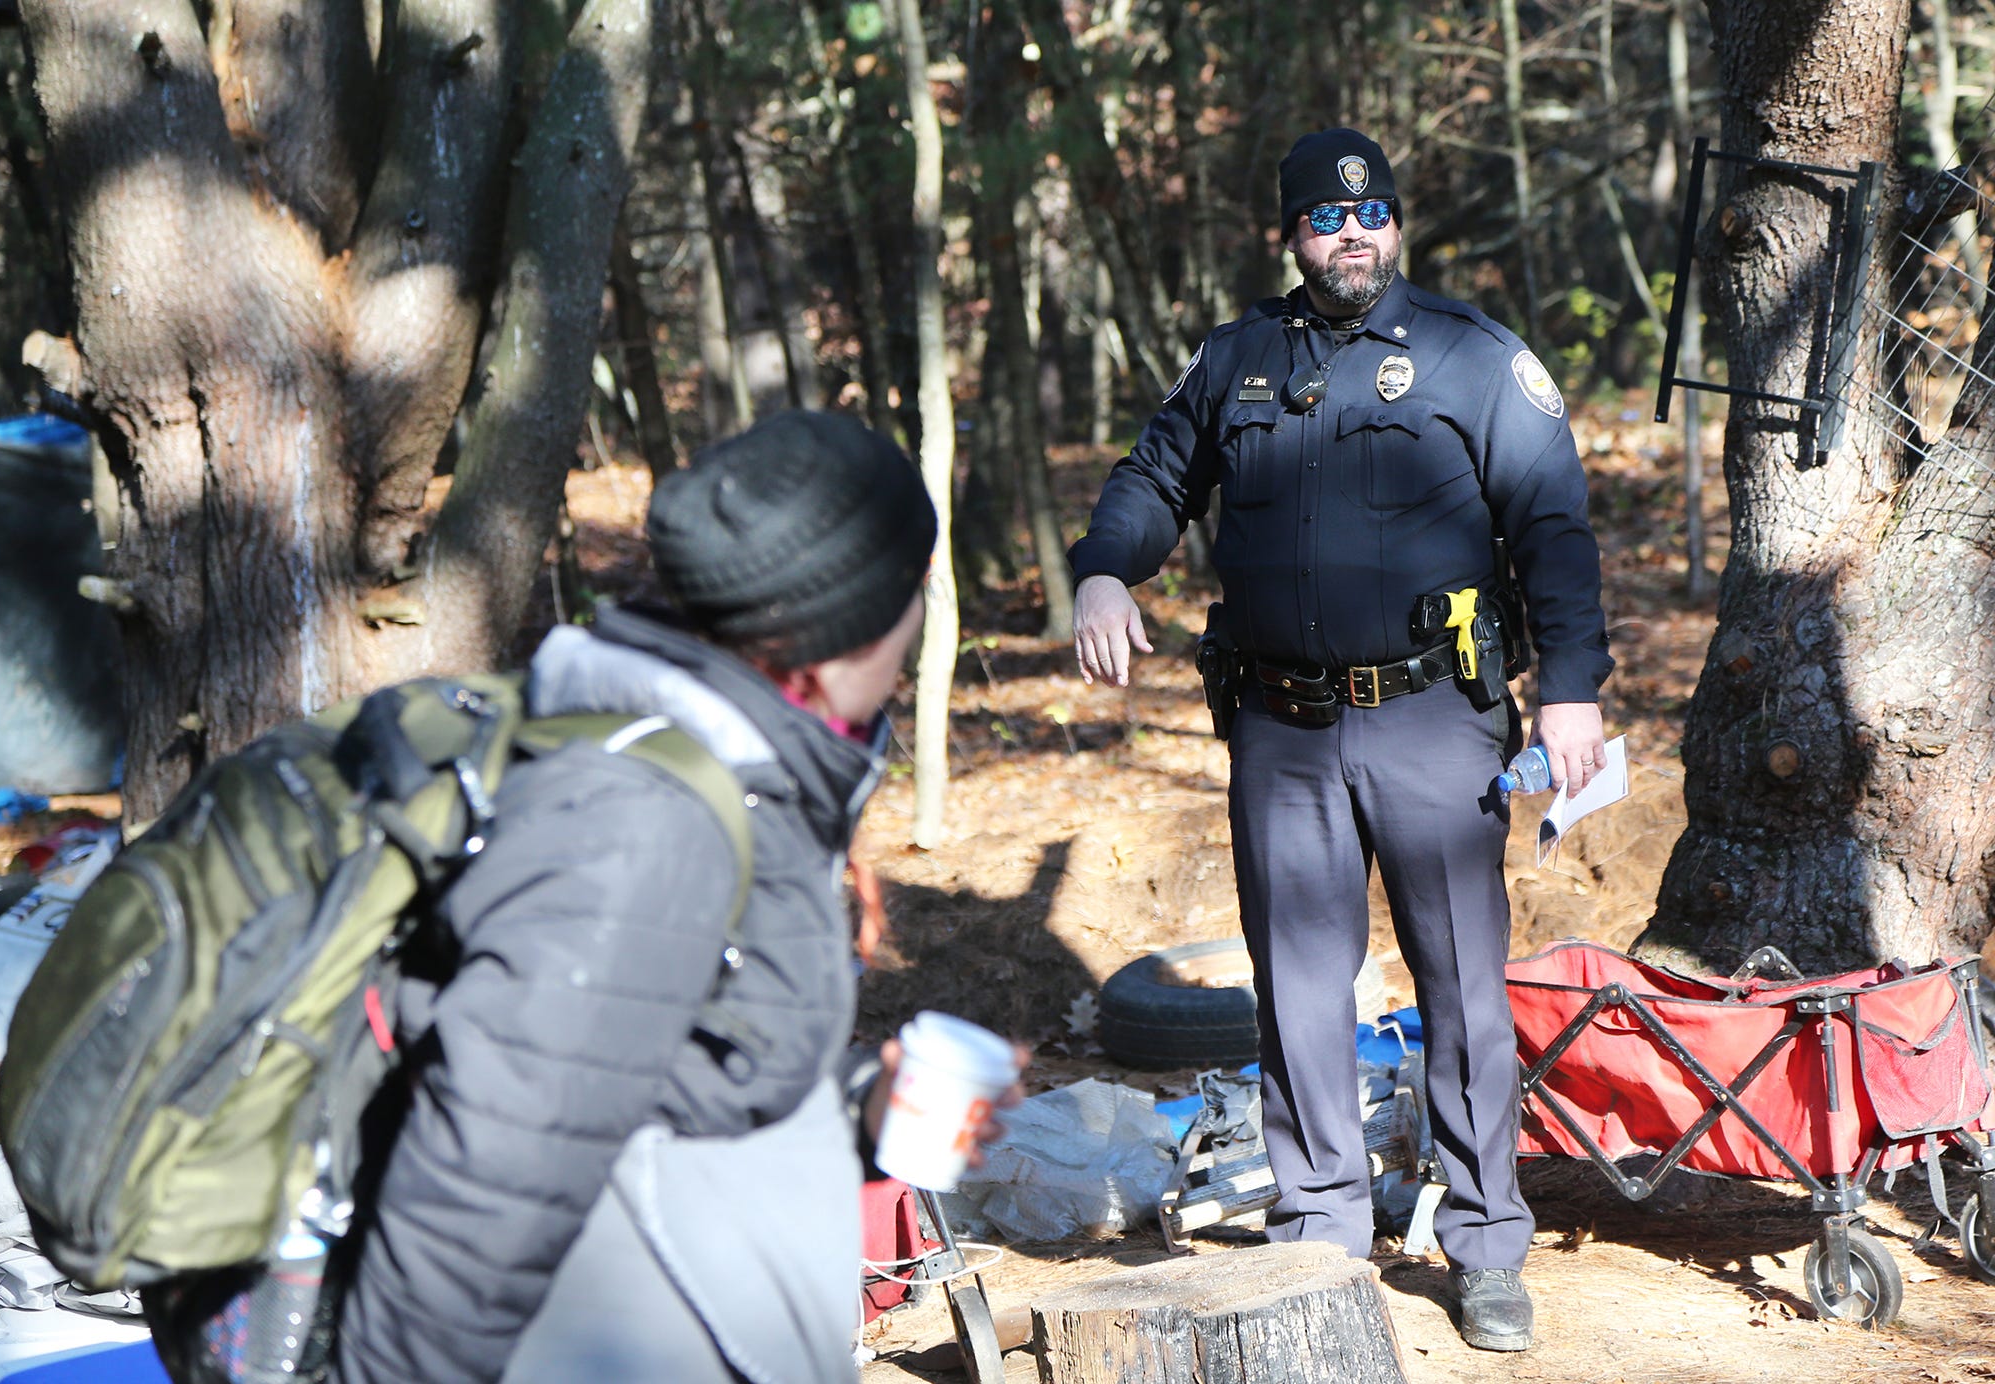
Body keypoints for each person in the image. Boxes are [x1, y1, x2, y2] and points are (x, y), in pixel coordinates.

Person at [321, 410, 1007, 1382]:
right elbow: (473, 1193)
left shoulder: (746, 769)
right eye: (915, 586)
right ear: (846, 621)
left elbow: (661, 1079)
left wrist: (860, 1113)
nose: (925, 611)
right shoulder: (644, 818)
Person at [1069, 128, 1612, 1353]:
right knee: (1300, 989)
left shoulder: (1473, 358)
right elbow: (1152, 478)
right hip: (1281, 729)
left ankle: (1482, 1241)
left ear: (1396, 227)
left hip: (1432, 722)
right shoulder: (1235, 358)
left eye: (1369, 217)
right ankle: (1316, 1230)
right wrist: (1105, 572)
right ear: (1291, 234)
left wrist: (1569, 684)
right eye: (1325, 219)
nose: (1350, 235)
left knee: (1462, 989)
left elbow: (1554, 534)